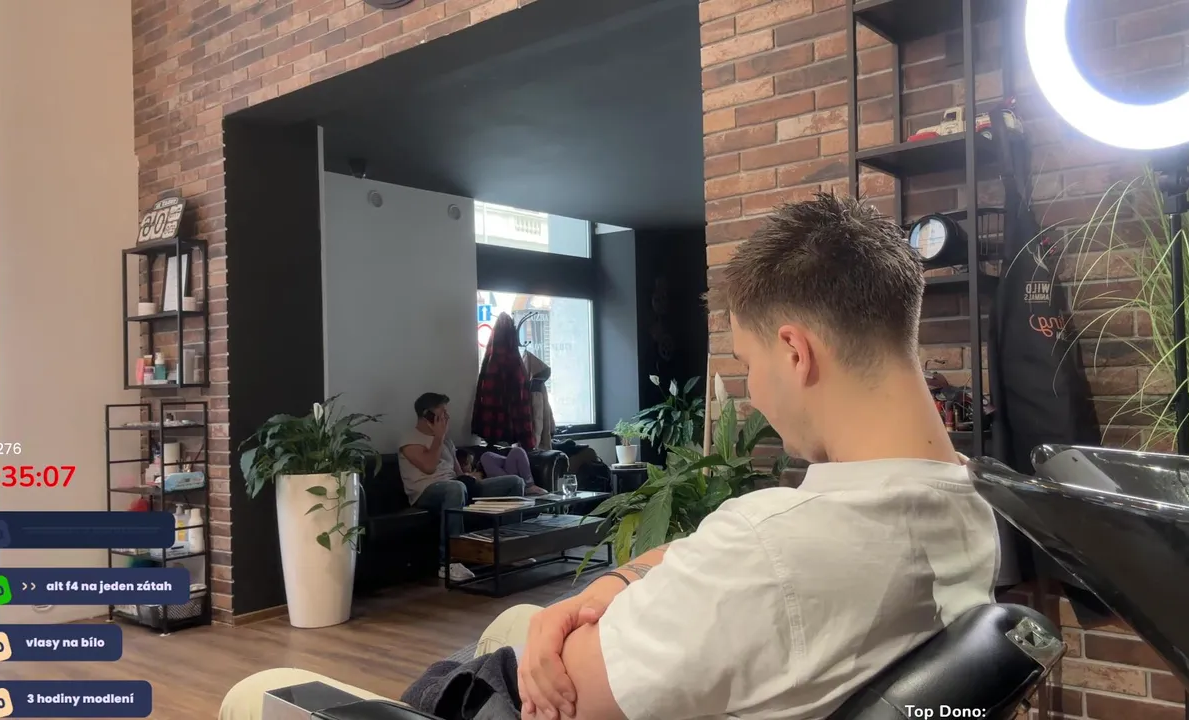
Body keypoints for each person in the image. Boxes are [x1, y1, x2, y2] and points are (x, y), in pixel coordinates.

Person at [513, 193, 1001, 720]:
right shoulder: (975, 503)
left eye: (748, 363)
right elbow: (711, 559)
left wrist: (599, 593)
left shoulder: (768, 547)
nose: (752, 393)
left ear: (795, 352)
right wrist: (617, 580)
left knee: (513, 627)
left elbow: (562, 697)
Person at [399, 392, 527, 583]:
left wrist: (471, 478)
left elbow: (458, 474)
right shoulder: (409, 439)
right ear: (427, 416)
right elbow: (429, 467)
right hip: (426, 492)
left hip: (457, 487)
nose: (447, 417)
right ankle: (450, 562)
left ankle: (508, 550)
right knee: (455, 488)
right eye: (443, 413)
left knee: (514, 482)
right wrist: (438, 437)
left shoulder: (446, 441)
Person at [458, 446, 550, 496]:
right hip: (496, 484)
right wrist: (474, 477)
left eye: (471, 463)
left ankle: (528, 485)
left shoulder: (479, 466)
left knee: (517, 451)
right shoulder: (463, 480)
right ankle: (525, 486)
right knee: (485, 457)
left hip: (506, 475)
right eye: (467, 463)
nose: (470, 466)